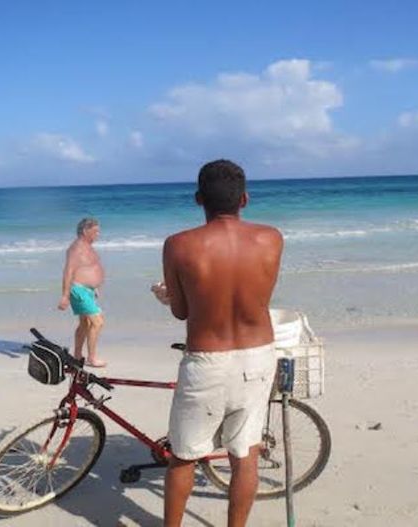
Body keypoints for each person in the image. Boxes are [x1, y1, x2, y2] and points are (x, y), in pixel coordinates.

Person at [152, 159, 283, 527]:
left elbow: (181, 312)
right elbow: (254, 293)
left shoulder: (178, 245)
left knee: (183, 457)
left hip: (207, 361)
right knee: (245, 455)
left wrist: (167, 296)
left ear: (198, 199)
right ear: (244, 199)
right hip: (258, 357)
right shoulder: (272, 238)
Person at [58, 217, 107, 368]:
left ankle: (77, 356)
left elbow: (86, 267)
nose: (98, 234)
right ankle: (92, 359)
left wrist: (94, 287)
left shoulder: (86, 246)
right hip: (79, 290)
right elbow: (69, 271)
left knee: (85, 323)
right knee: (97, 322)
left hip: (87, 291)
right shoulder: (77, 248)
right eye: (95, 231)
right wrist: (65, 295)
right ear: (85, 231)